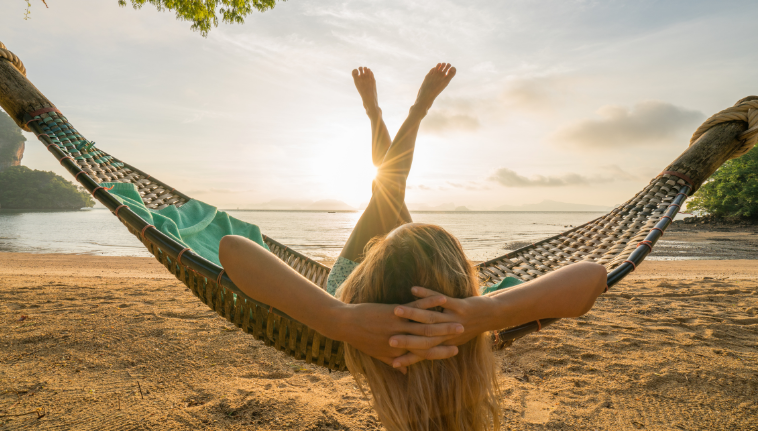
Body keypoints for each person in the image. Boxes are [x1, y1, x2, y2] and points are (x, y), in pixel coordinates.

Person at [219, 63, 608, 430]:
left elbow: (232, 249)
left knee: (386, 189)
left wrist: (340, 318)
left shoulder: (353, 317)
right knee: (387, 190)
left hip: (357, 292)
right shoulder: (464, 319)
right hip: (413, 289)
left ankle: (395, 113)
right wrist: (486, 311)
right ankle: (401, 113)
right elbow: (593, 276)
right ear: (466, 282)